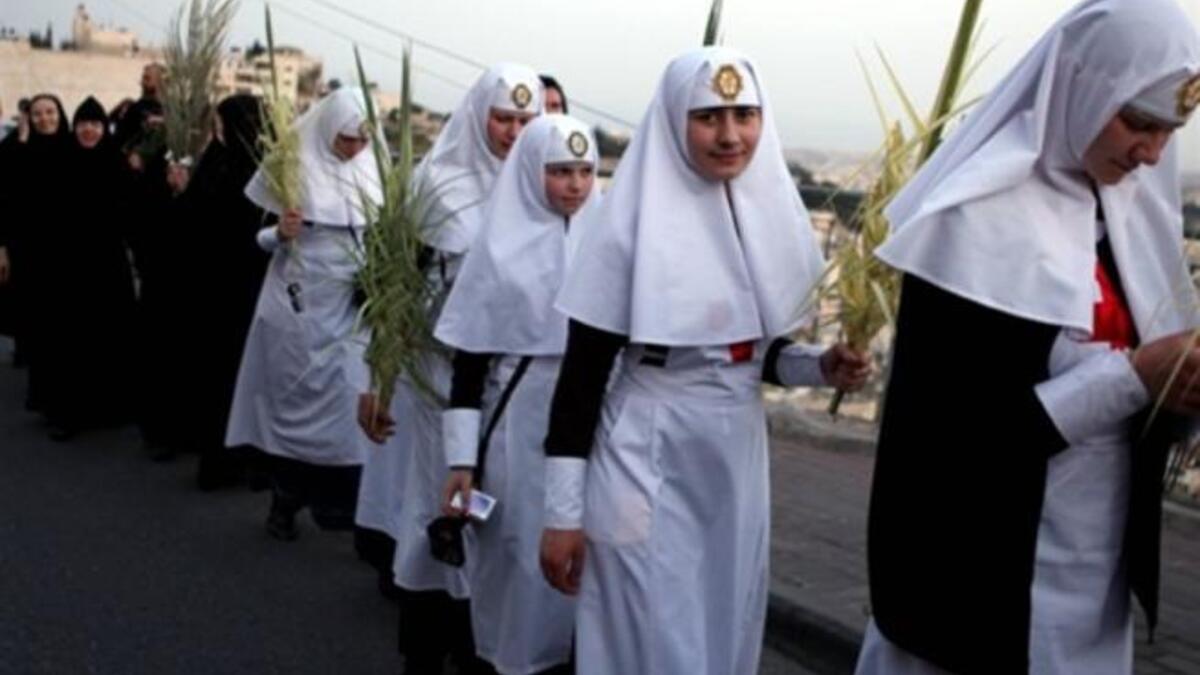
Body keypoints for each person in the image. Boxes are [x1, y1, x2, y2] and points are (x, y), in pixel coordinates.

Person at [852, 1, 1200, 673]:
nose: (1151, 153)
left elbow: (1147, 391)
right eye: (1138, 122)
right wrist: (1134, 377)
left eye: (1172, 130)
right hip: (975, 584)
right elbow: (956, 439)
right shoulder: (972, 223)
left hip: (1091, 587)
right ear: (1082, 83)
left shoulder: (1134, 220)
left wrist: (1180, 393)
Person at [537, 47, 869, 675]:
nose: (729, 136)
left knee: (722, 623)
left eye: (745, 114)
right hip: (646, 450)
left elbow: (756, 354)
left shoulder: (763, 216)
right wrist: (562, 516)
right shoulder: (625, 222)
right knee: (644, 632)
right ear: (672, 120)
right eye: (708, 116)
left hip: (734, 460)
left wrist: (820, 366)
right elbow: (580, 383)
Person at [355, 62, 542, 674]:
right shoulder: (437, 187)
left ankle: (482, 649)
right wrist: (376, 382)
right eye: (504, 118)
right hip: (439, 383)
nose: (515, 133)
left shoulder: (548, 190)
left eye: (527, 120)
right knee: (441, 517)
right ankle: (425, 651)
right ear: (478, 115)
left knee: (498, 525)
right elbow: (395, 289)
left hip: (511, 393)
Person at [434, 114, 598, 675]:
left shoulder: (607, 247)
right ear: (531, 173)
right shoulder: (497, 251)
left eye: (584, 170)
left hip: (590, 435)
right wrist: (461, 460)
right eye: (559, 171)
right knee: (517, 569)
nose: (575, 184)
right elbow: (470, 365)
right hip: (515, 435)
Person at [227, 87, 381, 541]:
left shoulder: (373, 170)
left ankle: (339, 502)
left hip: (351, 305)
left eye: (362, 140)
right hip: (298, 302)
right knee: (294, 399)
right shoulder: (292, 164)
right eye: (345, 140)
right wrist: (280, 231)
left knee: (346, 398)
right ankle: (284, 496)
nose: (353, 150)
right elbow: (252, 239)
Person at [170, 94, 271, 490]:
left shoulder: (260, 169)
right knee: (224, 376)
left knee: (236, 376)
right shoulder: (225, 160)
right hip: (223, 288)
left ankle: (237, 458)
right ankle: (223, 459)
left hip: (241, 288)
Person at [24, 97, 137, 440]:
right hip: (68, 268)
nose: (90, 130)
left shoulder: (117, 163)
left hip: (107, 268)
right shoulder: (61, 163)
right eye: (83, 124)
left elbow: (134, 212)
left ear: (105, 128)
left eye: (96, 124)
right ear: (74, 128)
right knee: (70, 341)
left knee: (107, 337)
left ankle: (108, 409)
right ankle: (68, 413)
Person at [5, 94, 73, 410]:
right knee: (41, 327)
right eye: (37, 114)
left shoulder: (73, 149)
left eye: (50, 112)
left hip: (66, 253)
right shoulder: (21, 151)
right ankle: (45, 396)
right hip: (32, 251)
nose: (45, 119)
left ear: (60, 114)